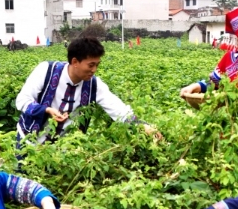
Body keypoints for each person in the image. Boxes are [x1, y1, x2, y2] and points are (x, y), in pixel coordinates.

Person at [15, 37, 159, 145]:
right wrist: (46, 110)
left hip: (63, 149)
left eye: (97, 65)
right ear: (75, 62)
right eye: (91, 65)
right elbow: (22, 101)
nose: (94, 70)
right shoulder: (46, 70)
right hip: (29, 142)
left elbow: (118, 110)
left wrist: (141, 125)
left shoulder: (94, 85)